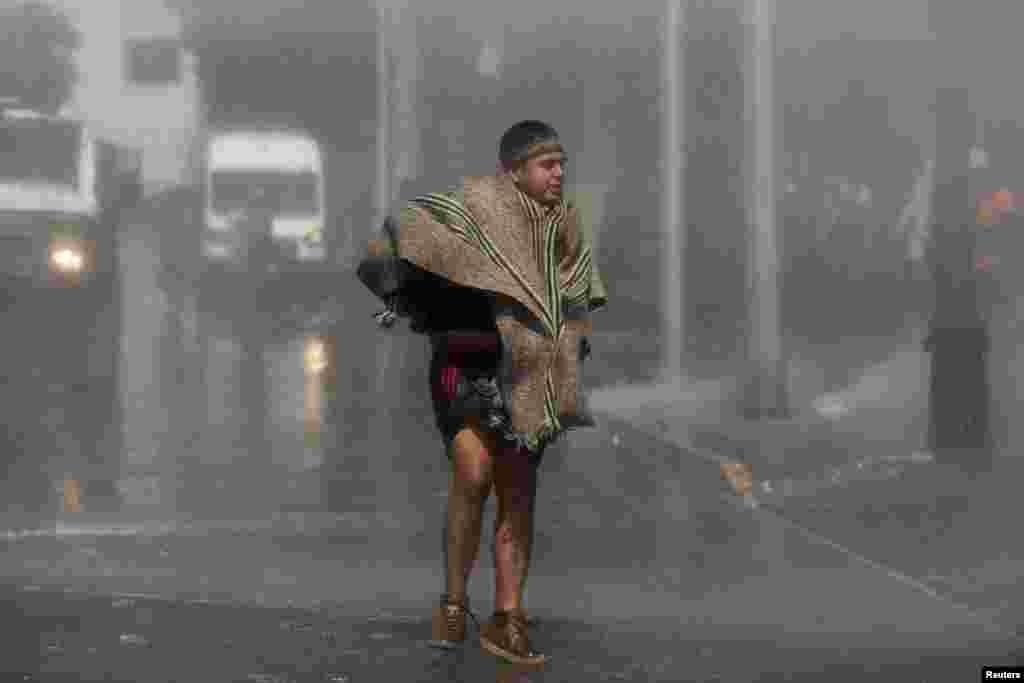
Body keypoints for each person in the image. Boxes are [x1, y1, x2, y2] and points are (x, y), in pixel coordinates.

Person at [357, 120, 607, 666]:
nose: (559, 173)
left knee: (518, 491)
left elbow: (580, 299)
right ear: (512, 171)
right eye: (547, 164)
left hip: (528, 374)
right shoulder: (468, 212)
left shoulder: (565, 226)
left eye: (562, 162)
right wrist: (401, 295)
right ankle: (451, 602)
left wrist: (570, 357)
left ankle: (508, 617)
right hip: (463, 368)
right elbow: (393, 237)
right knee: (473, 472)